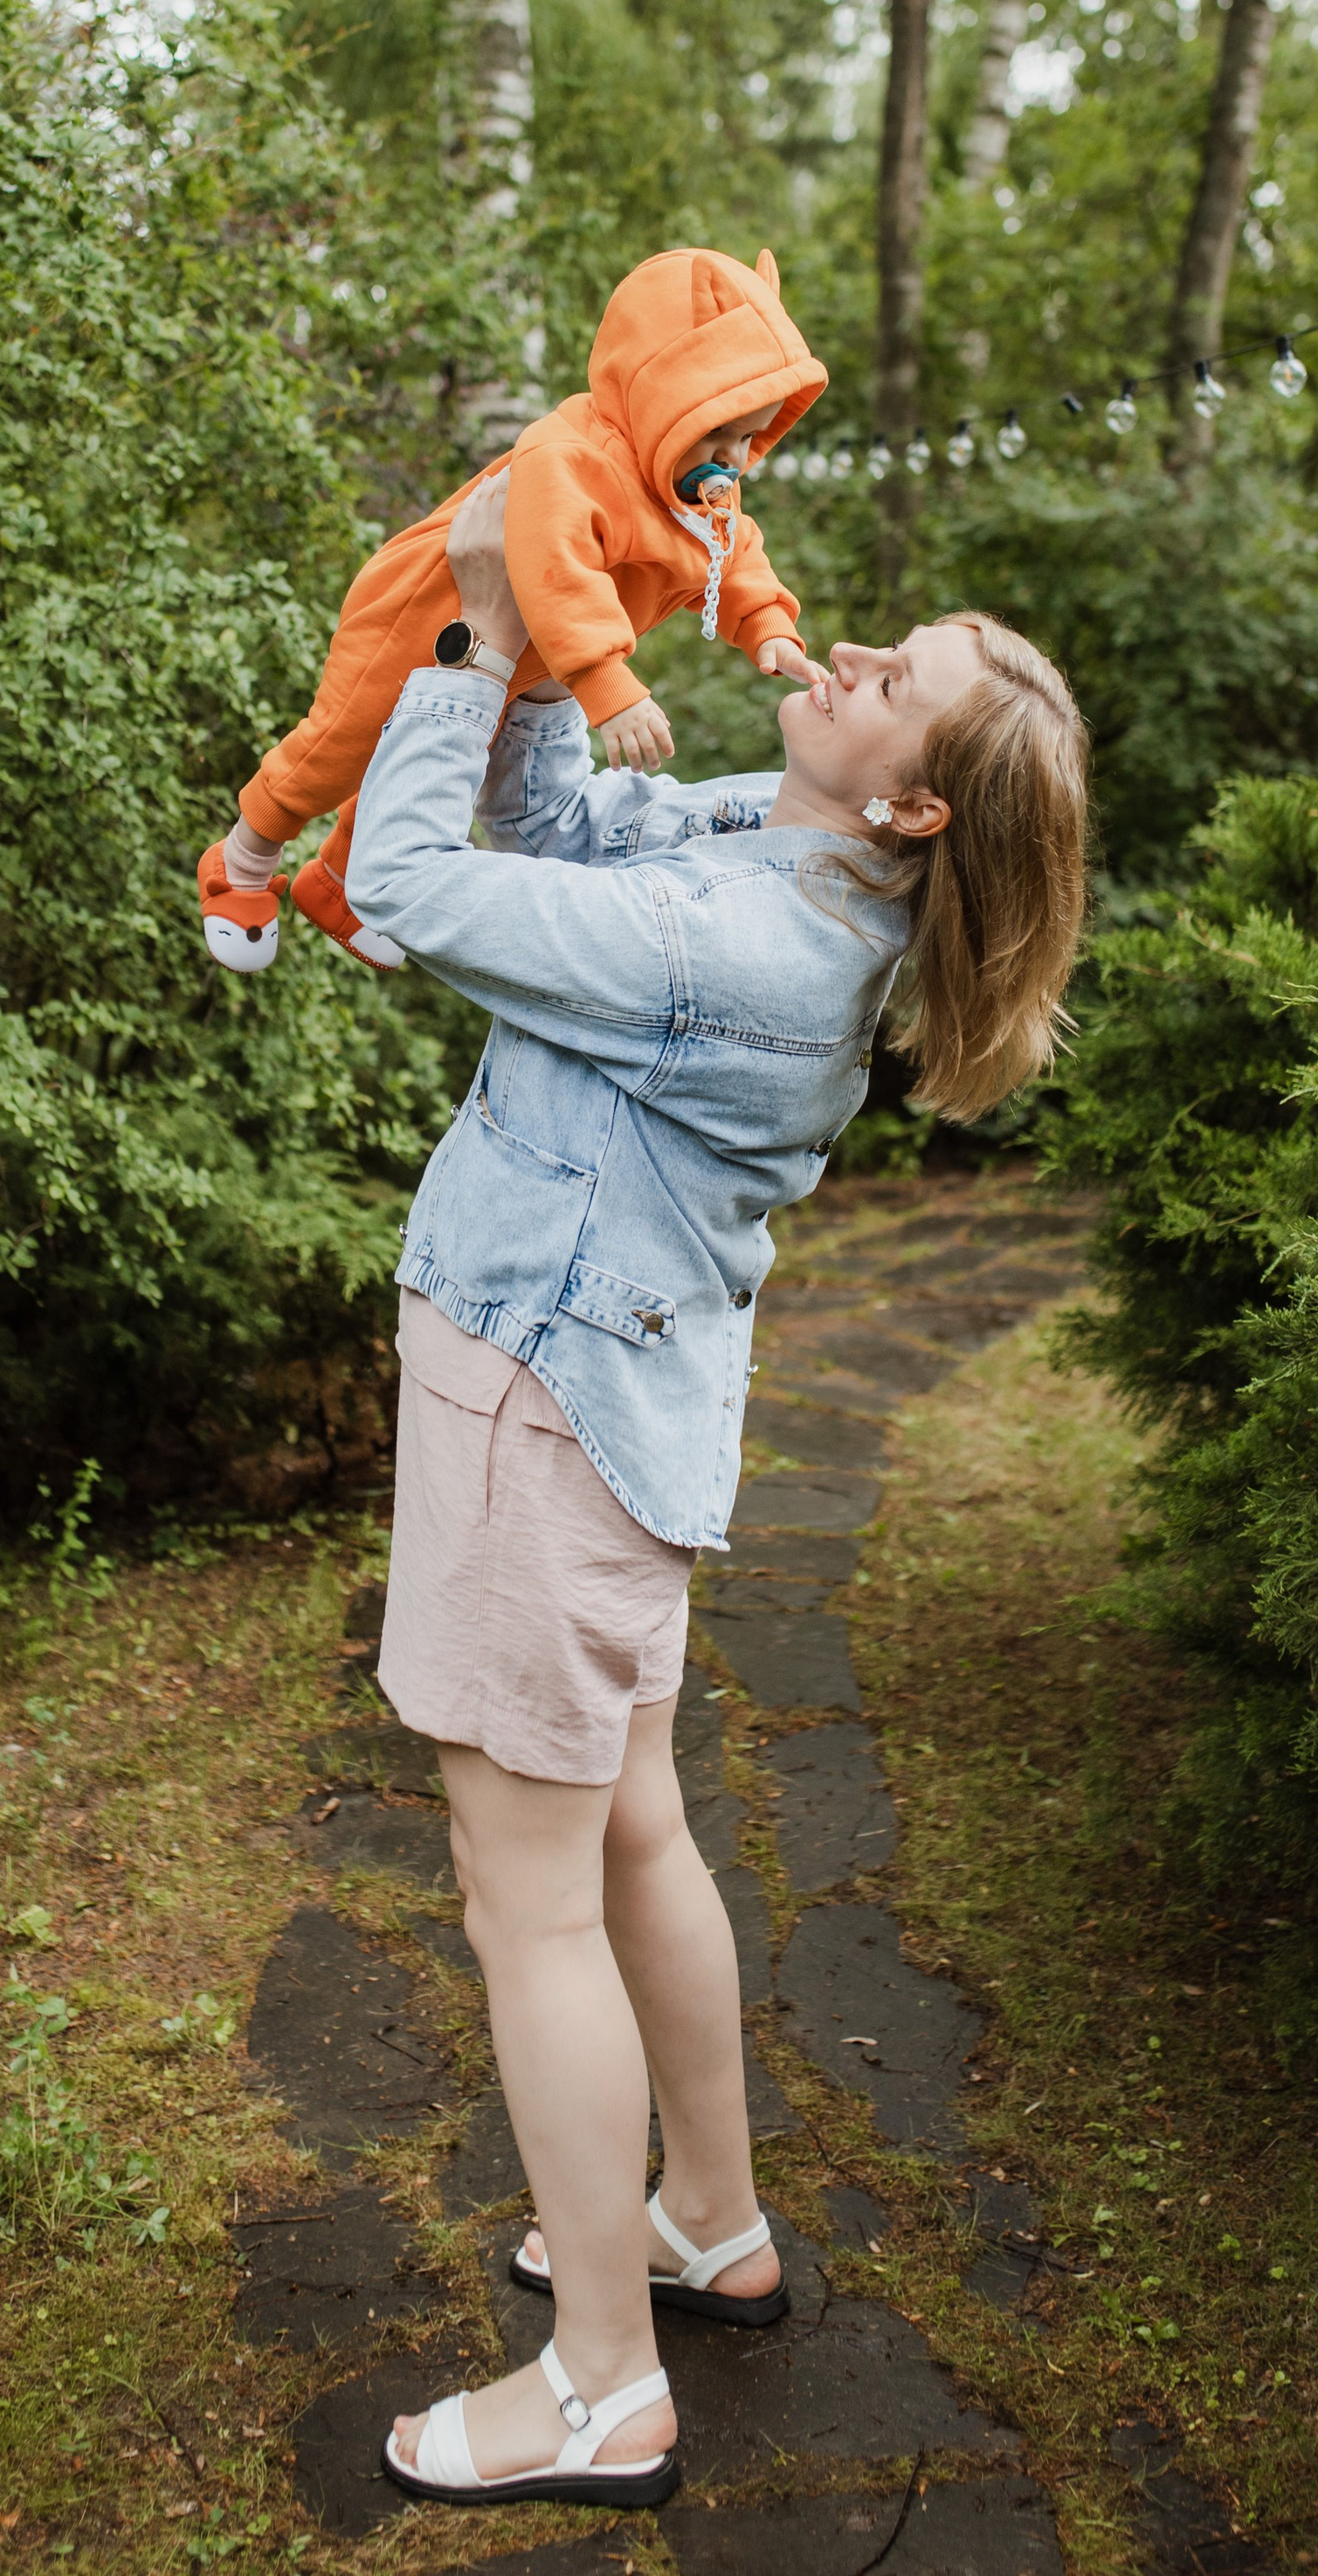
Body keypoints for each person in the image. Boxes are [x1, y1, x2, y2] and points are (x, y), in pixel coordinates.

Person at [344, 465, 1090, 2514]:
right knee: (635, 1826)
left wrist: (481, 639)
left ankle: (597, 2379)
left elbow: (408, 889)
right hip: (616, 1420)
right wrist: (568, 633)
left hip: (542, 1418)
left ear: (915, 802)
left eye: (891, 677)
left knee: (524, 1899)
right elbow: (577, 825)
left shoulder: (751, 946)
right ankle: (701, 2217)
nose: (844, 651)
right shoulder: (789, 871)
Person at [195, 245, 829, 975]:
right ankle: (243, 857)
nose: (734, 460)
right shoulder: (571, 459)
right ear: (657, 401)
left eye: (750, 438)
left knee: (444, 758)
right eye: (715, 435)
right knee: (345, 742)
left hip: (520, 654)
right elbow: (554, 565)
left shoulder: (697, 492)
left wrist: (767, 627)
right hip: (430, 609)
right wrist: (606, 686)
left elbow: (738, 553)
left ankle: (339, 883)